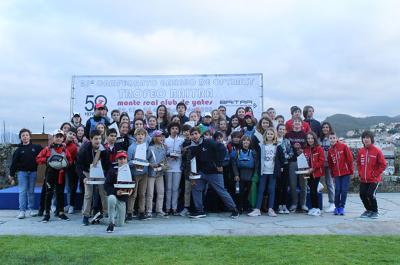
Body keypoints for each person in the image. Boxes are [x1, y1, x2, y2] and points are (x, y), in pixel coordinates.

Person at [188, 127, 239, 219]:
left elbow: (222, 149)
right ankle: (200, 211)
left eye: (196, 133)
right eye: (192, 134)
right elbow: (192, 161)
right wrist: (192, 173)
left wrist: (219, 164)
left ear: (200, 134)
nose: (194, 136)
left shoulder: (208, 142)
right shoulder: (191, 147)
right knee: (196, 189)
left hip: (214, 172)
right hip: (200, 173)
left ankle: (234, 209)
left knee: (221, 191)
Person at [36, 129, 73, 223]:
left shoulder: (65, 149)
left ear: (63, 138)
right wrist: (48, 159)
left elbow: (70, 160)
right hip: (50, 173)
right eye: (57, 136)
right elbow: (38, 159)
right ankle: (47, 214)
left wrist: (66, 164)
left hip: (61, 173)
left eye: (61, 137)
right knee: (49, 193)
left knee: (60, 193)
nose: (59, 138)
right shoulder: (47, 149)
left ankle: (61, 213)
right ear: (53, 138)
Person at [77, 129, 111, 226]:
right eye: (96, 139)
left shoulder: (103, 149)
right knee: (88, 194)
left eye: (100, 138)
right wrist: (83, 177)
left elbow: (108, 164)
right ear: (91, 139)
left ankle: (106, 214)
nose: (98, 141)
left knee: (103, 193)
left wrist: (107, 176)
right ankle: (86, 216)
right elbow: (78, 166)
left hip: (100, 173)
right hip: (87, 172)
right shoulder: (84, 149)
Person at [248, 128, 284, 217]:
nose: (270, 135)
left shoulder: (278, 146)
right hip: (263, 171)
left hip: (272, 171)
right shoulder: (261, 145)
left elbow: (282, 158)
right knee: (261, 189)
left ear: (274, 135)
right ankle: (257, 209)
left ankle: (270, 209)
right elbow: (258, 159)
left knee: (271, 189)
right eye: (268, 134)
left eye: (271, 134)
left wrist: (281, 167)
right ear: (265, 135)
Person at [9, 128, 43, 219]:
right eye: (23, 135)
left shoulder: (36, 147)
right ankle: (22, 211)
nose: (25, 137)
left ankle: (31, 209)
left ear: (30, 137)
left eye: (27, 135)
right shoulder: (18, 150)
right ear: (20, 138)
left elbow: (45, 152)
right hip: (22, 174)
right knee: (22, 192)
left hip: (33, 173)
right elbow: (14, 164)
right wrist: (11, 175)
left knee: (31, 192)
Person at [356, 131, 387, 219]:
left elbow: (383, 164)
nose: (365, 139)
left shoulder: (377, 151)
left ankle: (375, 211)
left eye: (368, 137)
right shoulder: (361, 151)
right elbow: (358, 163)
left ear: (371, 139)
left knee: (370, 194)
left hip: (374, 179)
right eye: (364, 138)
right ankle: (368, 210)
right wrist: (360, 172)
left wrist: (375, 174)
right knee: (362, 194)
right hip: (364, 179)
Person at [104, 151, 133, 233]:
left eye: (124, 158)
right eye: (120, 159)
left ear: (127, 159)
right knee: (111, 199)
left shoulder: (129, 170)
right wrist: (116, 192)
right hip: (113, 196)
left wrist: (131, 190)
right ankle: (111, 223)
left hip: (122, 199)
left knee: (120, 224)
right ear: (117, 160)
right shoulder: (112, 171)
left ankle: (100, 219)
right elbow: (106, 185)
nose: (122, 160)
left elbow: (132, 184)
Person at [328, 132, 354, 215]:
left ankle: (342, 207)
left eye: (334, 138)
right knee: (337, 190)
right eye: (330, 138)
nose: (332, 139)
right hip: (336, 174)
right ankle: (337, 207)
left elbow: (350, 159)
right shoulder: (330, 150)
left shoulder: (344, 147)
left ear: (337, 138)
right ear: (329, 139)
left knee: (344, 190)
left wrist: (352, 171)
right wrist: (332, 174)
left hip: (345, 173)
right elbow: (331, 164)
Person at [232, 135, 258, 214]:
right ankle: (240, 207)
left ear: (250, 142)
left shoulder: (253, 152)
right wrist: (236, 174)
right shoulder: (238, 151)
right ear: (241, 142)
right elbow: (234, 164)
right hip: (240, 176)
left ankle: (247, 206)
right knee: (240, 192)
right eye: (244, 140)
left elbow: (256, 164)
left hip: (250, 175)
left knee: (248, 192)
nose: (246, 142)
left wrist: (254, 175)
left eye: (248, 141)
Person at [127, 128, 149, 220]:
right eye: (138, 134)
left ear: (145, 136)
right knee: (133, 194)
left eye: (142, 134)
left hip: (144, 173)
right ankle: (129, 212)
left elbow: (148, 157)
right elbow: (128, 161)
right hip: (135, 174)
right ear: (135, 136)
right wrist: (134, 162)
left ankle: (141, 212)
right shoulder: (132, 147)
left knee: (142, 193)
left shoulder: (146, 145)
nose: (140, 136)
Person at [286, 119, 308, 212]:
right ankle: (294, 204)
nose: (297, 124)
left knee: (304, 184)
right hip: (292, 161)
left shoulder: (305, 135)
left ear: (301, 124)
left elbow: (309, 147)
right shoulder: (288, 135)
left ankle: (303, 204)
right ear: (292, 124)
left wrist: (303, 151)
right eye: (295, 123)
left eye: (299, 123)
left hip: (303, 161)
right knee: (293, 184)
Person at [146, 130, 168, 218]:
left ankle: (159, 210)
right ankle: (149, 211)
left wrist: (163, 166)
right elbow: (146, 160)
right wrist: (151, 165)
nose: (161, 138)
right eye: (159, 136)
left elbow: (164, 160)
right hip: (151, 173)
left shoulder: (164, 148)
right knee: (150, 193)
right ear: (154, 138)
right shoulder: (150, 148)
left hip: (160, 173)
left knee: (161, 192)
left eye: (162, 136)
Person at [165, 122, 184, 215]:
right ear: (169, 130)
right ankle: (168, 208)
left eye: (176, 128)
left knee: (175, 188)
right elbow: (163, 153)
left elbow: (184, 153)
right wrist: (168, 155)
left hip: (178, 167)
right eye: (173, 128)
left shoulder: (182, 140)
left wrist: (178, 155)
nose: (174, 130)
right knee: (168, 188)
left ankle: (174, 208)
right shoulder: (165, 140)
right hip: (168, 167)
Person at [303, 132, 325, 216]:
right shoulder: (305, 149)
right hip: (308, 173)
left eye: (311, 138)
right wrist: (304, 170)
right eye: (308, 138)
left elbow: (321, 161)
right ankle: (313, 208)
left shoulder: (319, 148)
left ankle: (317, 208)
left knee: (313, 190)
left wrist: (313, 168)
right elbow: (304, 161)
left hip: (316, 173)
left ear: (314, 139)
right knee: (311, 190)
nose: (310, 140)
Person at [276, 124, 293, 214]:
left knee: (285, 185)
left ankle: (284, 205)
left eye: (283, 129)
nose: (282, 131)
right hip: (276, 166)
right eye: (280, 129)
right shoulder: (274, 140)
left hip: (286, 164)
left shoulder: (287, 141)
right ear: (277, 130)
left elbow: (291, 152)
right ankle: (278, 205)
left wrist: (284, 157)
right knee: (278, 186)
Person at [320, 122, 336, 213]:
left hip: (329, 164)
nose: (325, 129)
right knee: (318, 183)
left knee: (329, 183)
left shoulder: (332, 138)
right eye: (324, 127)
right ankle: (318, 202)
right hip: (321, 164)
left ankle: (332, 203)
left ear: (329, 128)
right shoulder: (319, 139)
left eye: (327, 127)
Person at [64, 128, 79, 215]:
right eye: (70, 133)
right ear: (66, 134)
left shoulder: (74, 146)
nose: (72, 136)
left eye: (74, 134)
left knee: (71, 187)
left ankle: (71, 205)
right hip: (60, 169)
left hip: (71, 169)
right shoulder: (61, 143)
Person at [179, 124, 193, 216]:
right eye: (184, 131)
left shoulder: (196, 141)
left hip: (196, 168)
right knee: (186, 189)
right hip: (186, 169)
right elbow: (181, 156)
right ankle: (186, 207)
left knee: (196, 189)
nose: (187, 133)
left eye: (188, 131)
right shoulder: (182, 143)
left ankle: (197, 207)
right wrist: (183, 151)